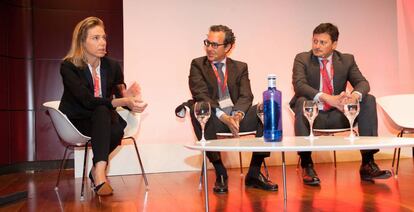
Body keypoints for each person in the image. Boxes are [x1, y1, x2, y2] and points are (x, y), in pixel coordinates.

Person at [289, 23, 392, 186]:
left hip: (339, 115)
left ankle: (367, 162)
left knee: (368, 99)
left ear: (334, 44)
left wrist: (353, 96)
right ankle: (307, 165)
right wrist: (327, 98)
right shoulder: (302, 58)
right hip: (314, 116)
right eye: (315, 41)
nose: (317, 46)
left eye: (322, 42)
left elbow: (363, 83)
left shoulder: (346, 59)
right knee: (303, 101)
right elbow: (299, 85)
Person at [59, 17, 147, 196]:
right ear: (82, 42)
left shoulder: (112, 66)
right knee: (100, 109)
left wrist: (128, 98)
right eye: (95, 38)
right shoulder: (68, 66)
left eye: (104, 37)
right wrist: (122, 101)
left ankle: (97, 170)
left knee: (115, 129)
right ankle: (100, 174)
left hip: (102, 118)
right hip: (78, 119)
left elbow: (120, 94)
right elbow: (87, 101)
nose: (102, 42)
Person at [188, 25, 277, 194]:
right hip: (215, 118)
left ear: (228, 47)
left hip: (238, 118)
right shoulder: (198, 64)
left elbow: (246, 95)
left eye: (215, 45)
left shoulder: (240, 67)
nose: (209, 48)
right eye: (207, 43)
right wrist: (223, 116)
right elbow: (200, 94)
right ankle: (220, 172)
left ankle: (254, 173)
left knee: (267, 109)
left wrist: (237, 114)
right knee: (197, 109)